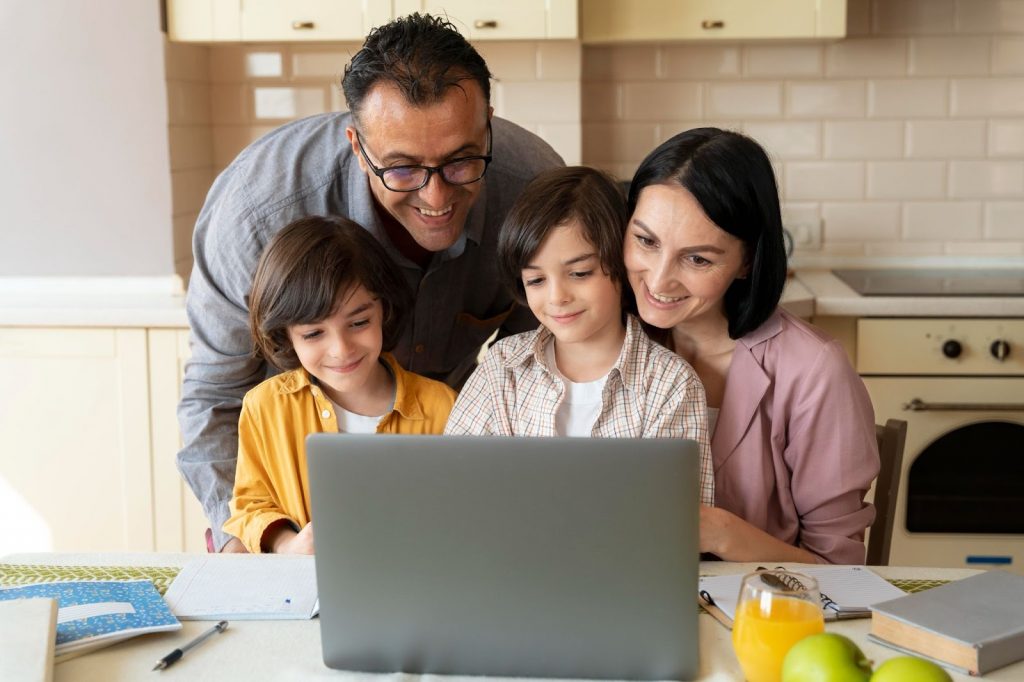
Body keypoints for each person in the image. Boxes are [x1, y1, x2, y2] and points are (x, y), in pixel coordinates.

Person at [178, 13, 564, 551]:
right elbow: (213, 398)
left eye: (460, 162)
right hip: (296, 513)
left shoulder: (533, 195)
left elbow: (543, 366)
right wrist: (252, 545)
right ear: (358, 146)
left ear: (489, 126)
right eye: (402, 169)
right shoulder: (255, 213)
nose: (436, 199)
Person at [624, 128, 880, 564]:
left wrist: (722, 533)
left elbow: (842, 572)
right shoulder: (605, 343)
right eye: (646, 241)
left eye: (698, 258)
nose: (659, 279)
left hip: (758, 615)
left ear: (746, 262)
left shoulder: (813, 370)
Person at [445, 167, 714, 506]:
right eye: (536, 280)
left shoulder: (669, 384)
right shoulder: (502, 369)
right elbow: (453, 489)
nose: (558, 297)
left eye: (579, 273)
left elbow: (679, 523)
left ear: (622, 261)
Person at [222, 216, 456, 554]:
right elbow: (251, 506)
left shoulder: (443, 407)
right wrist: (289, 545)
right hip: (304, 592)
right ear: (285, 334)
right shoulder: (265, 407)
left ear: (384, 311)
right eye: (314, 333)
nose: (341, 349)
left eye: (359, 322)